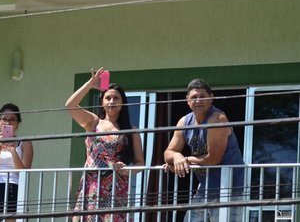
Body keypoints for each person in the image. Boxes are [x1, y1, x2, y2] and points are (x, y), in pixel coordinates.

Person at [65, 67, 145, 222]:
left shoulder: (131, 130)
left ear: (123, 103)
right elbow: (70, 105)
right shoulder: (93, 122)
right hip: (91, 186)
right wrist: (89, 84)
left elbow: (140, 163)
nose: (112, 101)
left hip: (117, 187)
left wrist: (127, 170)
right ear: (102, 102)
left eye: (116, 98)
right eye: (108, 98)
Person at [163, 78, 244, 222]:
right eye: (194, 97)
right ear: (187, 100)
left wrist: (185, 160)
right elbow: (168, 153)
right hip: (205, 188)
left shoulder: (217, 118)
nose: (198, 100)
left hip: (230, 188)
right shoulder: (184, 122)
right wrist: (176, 158)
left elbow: (213, 159)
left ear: (211, 98)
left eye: (202, 96)